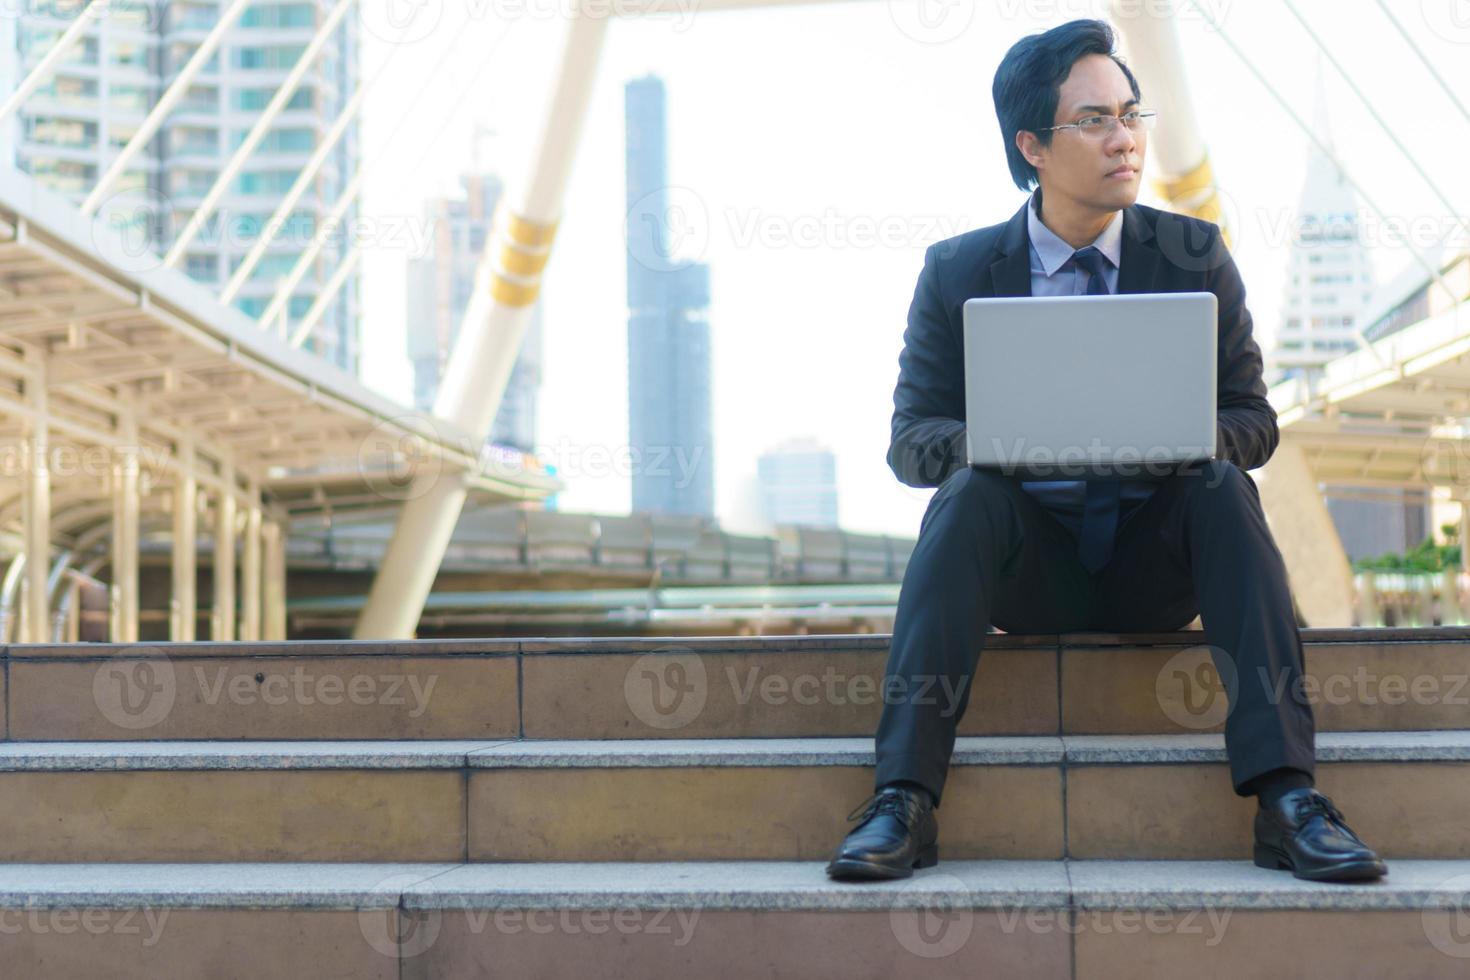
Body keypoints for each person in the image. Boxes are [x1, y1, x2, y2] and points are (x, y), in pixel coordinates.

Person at [825, 18, 1386, 884]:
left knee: (1221, 482)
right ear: (1032, 147)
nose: (1125, 138)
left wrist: (1177, 434)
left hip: (1153, 564)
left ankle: (1288, 800)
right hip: (1029, 570)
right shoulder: (958, 271)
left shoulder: (1192, 253)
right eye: (1094, 120)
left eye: (1131, 113)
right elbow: (911, 441)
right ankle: (901, 798)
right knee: (967, 492)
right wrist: (1006, 441)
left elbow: (1254, 421)